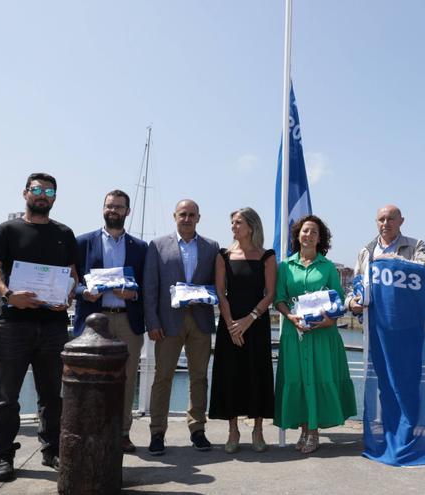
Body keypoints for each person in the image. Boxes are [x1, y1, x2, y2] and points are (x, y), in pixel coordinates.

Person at [0, 173, 78, 481]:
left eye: (49, 191)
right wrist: (9, 294)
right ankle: (3, 456)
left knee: (53, 395)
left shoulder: (65, 233)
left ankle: (52, 451)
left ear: (54, 197)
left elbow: (73, 273)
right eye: (37, 189)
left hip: (53, 326)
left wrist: (68, 294)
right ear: (26, 193)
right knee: (6, 395)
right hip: (13, 324)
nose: (43, 195)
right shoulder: (8, 230)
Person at [73, 190, 148, 453]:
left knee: (126, 381)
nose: (113, 210)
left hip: (127, 321)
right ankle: (89, 432)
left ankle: (122, 433)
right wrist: (84, 292)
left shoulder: (141, 248)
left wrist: (133, 293)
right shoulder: (82, 242)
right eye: (109, 206)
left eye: (118, 207)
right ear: (103, 209)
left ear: (127, 211)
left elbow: (146, 286)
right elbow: (71, 284)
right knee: (89, 379)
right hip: (94, 322)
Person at [274, 215, 356, 454]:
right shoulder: (286, 266)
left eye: (314, 232)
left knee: (318, 378)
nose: (308, 235)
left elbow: (339, 299)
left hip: (323, 334)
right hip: (295, 333)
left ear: (320, 239)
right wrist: (290, 317)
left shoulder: (328, 267)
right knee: (298, 379)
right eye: (304, 231)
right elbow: (279, 298)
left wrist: (331, 320)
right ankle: (303, 428)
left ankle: (313, 432)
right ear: (298, 235)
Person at [143, 199, 220, 455]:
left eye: (192, 215)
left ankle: (197, 429)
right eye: (182, 214)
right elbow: (150, 287)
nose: (187, 219)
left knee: (199, 378)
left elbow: (216, 285)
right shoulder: (157, 245)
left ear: (199, 218)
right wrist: (152, 322)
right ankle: (157, 432)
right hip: (167, 323)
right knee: (162, 378)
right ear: (174, 216)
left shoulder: (211, 247)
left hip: (200, 320)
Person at [208, 207, 276, 454]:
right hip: (230, 324)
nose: (233, 227)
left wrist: (249, 320)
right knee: (231, 374)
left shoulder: (267, 256)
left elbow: (270, 294)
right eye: (232, 223)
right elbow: (220, 293)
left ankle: (258, 430)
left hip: (257, 324)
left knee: (258, 373)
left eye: (238, 223)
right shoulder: (223, 255)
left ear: (251, 226)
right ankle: (233, 430)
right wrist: (231, 325)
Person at [348, 204, 425, 313]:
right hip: (374, 323)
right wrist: (350, 303)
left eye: (390, 219)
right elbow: (355, 284)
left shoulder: (416, 245)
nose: (385, 223)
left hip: (407, 319)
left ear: (401, 221)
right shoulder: (365, 252)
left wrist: (394, 260)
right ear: (376, 222)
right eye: (381, 220)